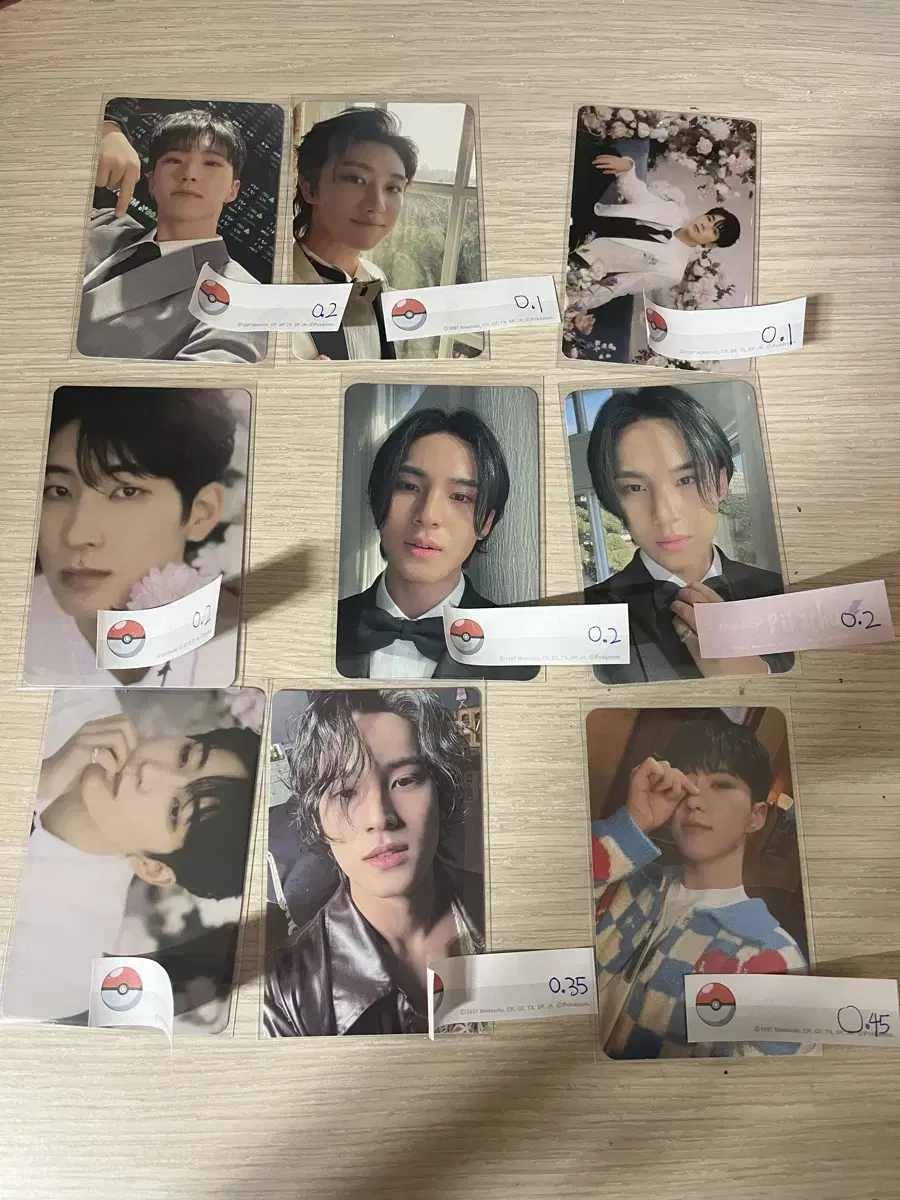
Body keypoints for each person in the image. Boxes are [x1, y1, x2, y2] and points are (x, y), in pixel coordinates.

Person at [2, 690, 260, 1023]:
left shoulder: (63, 967)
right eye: (185, 756)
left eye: (175, 811)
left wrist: (32, 783)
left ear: (153, 868)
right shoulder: (81, 695)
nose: (150, 770)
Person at [264, 689, 483, 1036]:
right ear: (318, 820)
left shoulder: (508, 907)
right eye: (345, 793)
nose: (380, 817)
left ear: (441, 793)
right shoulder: (282, 995)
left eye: (404, 781)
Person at [591, 715, 808, 1059]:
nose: (694, 801)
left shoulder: (769, 958)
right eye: (686, 784)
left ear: (756, 817)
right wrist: (634, 822)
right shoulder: (623, 884)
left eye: (720, 785)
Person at [24, 385, 243, 688]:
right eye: (58, 491)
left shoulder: (237, 649)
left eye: (126, 492)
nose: (76, 535)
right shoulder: (17, 622)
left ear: (200, 513)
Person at [583, 385, 793, 683]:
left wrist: (758, 676)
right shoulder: (586, 615)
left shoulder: (783, 594)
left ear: (721, 483)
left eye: (686, 479)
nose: (665, 514)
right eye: (635, 488)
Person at [336, 407, 535, 681]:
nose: (428, 515)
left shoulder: (523, 651)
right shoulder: (320, 626)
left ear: (486, 523)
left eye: (460, 497)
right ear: (378, 498)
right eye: (408, 486)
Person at [77, 108, 266, 362]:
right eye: (174, 160)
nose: (190, 174)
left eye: (211, 163)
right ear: (152, 181)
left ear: (233, 190)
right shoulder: (101, 223)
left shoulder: (241, 295)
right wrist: (104, 131)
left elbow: (200, 385)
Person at [292, 107, 418, 360]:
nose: (377, 205)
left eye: (393, 188)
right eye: (355, 179)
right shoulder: (268, 291)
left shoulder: (376, 280)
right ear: (310, 188)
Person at [566, 153, 741, 330]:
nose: (705, 225)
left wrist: (578, 306)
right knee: (606, 154)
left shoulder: (673, 270)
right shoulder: (673, 211)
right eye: (709, 219)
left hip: (583, 253)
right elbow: (638, 194)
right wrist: (627, 168)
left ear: (711, 244)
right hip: (591, 216)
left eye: (713, 231)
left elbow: (621, 285)